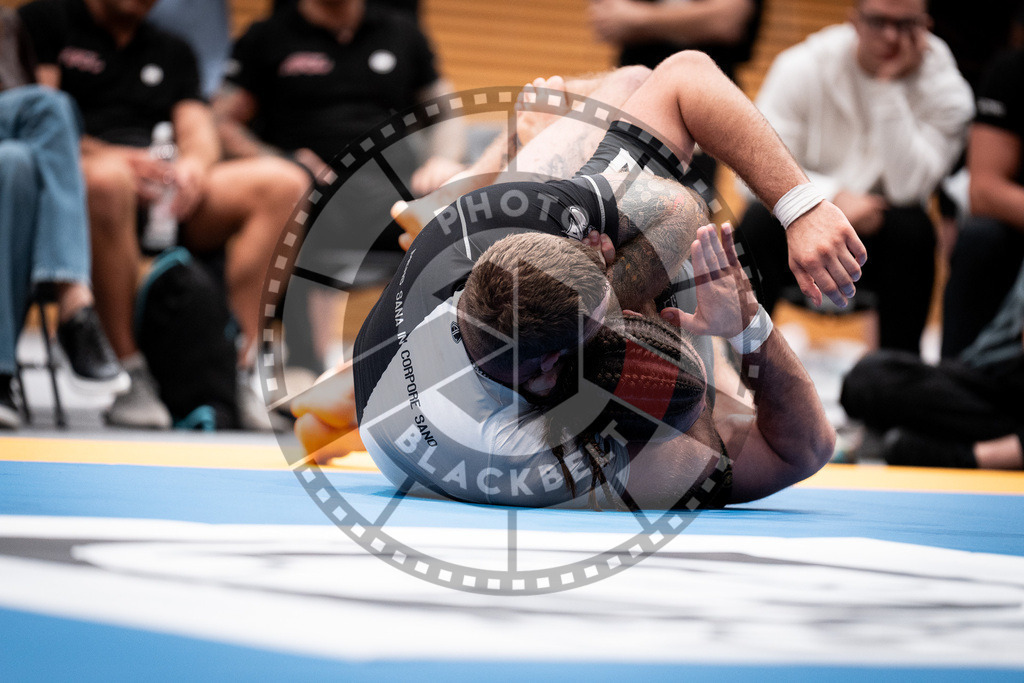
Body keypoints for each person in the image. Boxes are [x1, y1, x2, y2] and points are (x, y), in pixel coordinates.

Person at [297, 50, 860, 508]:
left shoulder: (496, 226)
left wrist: (803, 208)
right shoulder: (543, 457)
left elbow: (681, 79)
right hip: (428, 408)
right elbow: (801, 451)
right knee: (680, 231)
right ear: (551, 380)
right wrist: (744, 328)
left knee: (636, 83)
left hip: (413, 333)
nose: (630, 317)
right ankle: (498, 165)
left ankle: (483, 171)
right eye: (615, 318)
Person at [18, 0, 309, 429]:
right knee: (106, 180)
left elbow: (198, 130)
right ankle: (127, 372)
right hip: (79, 184)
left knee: (283, 184)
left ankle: (237, 368)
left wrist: (192, 166)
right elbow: (42, 122)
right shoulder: (47, 21)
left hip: (161, 190)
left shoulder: (172, 48)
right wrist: (119, 159)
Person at [213, 0, 465, 370]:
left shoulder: (401, 32)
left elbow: (445, 113)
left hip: (392, 195)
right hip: (311, 195)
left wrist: (443, 161)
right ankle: (279, 364)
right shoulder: (268, 37)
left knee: (455, 222)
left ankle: (432, 369)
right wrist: (275, 158)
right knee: (287, 208)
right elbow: (221, 121)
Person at [733, 0, 973, 355]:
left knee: (915, 230)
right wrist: (831, 199)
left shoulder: (947, 91)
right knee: (756, 220)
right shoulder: (802, 67)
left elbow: (909, 188)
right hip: (796, 226)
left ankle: (894, 380)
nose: (892, 36)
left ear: (926, 26)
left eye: (906, 25)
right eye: (879, 21)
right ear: (855, 21)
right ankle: (737, 364)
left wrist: (887, 87)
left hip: (880, 236)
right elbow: (747, 176)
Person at [1, 8, 126, 429]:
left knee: (16, 164)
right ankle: (74, 300)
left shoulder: (7, 26)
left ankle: (1, 380)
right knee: (48, 107)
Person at [841, 260, 1024, 470]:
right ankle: (954, 448)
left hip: (1009, 394)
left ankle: (968, 457)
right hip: (985, 380)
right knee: (868, 378)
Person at [588, 0, 764, 204]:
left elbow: (727, 21)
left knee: (687, 213)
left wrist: (639, 19)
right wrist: (694, 21)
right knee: (616, 206)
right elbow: (609, 19)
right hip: (632, 98)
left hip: (703, 109)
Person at [941, 47, 1024, 358]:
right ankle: (957, 373)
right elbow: (984, 191)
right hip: (1014, 230)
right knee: (981, 237)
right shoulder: (1012, 71)